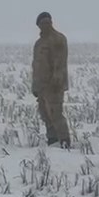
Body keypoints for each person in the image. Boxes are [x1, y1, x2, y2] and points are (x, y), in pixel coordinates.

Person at [31, 12, 70, 148]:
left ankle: (64, 140)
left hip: (54, 85)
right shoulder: (39, 43)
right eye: (42, 23)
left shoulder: (58, 39)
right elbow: (36, 66)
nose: (45, 25)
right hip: (42, 85)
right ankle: (52, 140)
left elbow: (60, 62)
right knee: (45, 113)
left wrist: (56, 80)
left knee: (55, 113)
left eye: (47, 22)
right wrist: (35, 86)